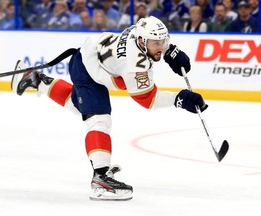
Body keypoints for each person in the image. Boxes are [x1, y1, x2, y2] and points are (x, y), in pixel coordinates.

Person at [11, 16, 207, 201]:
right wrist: (180, 98)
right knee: (99, 120)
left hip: (89, 57)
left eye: (163, 41)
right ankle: (101, 176)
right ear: (141, 41)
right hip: (88, 71)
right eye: (157, 44)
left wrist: (170, 51)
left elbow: (156, 40)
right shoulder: (134, 65)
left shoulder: (140, 34)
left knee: (81, 107)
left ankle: (36, 80)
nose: (160, 46)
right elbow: (149, 99)